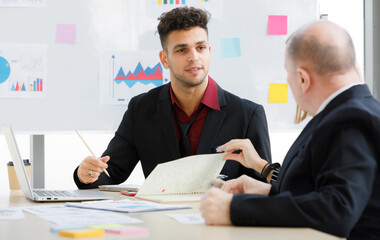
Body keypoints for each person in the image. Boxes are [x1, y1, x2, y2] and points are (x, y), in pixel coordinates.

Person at [200, 20, 380, 240]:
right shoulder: (354, 110)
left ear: (303, 78)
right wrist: (266, 191)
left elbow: (338, 208)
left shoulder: (349, 120)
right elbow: (321, 190)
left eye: (287, 74)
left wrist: (235, 209)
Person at [73, 7, 271, 188]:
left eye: (200, 47)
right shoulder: (140, 109)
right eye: (182, 50)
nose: (194, 57)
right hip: (160, 224)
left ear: (209, 52)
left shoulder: (248, 114)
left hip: (219, 223)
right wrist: (86, 174)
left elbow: (264, 189)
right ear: (164, 59)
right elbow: (111, 172)